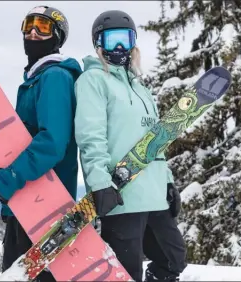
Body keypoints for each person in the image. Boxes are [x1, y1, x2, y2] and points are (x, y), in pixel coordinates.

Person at [0, 5, 82, 282]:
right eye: (29, 26)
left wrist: (11, 177)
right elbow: (22, 140)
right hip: (29, 202)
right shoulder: (35, 81)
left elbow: (52, 142)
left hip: (44, 203)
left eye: (43, 27)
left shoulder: (54, 77)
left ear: (58, 36)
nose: (34, 33)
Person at [73, 10, 187, 282]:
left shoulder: (141, 87)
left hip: (154, 193)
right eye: (113, 41)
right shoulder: (93, 80)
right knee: (126, 272)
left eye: (126, 39)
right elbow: (91, 136)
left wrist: (168, 182)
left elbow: (157, 140)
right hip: (120, 195)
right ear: (99, 43)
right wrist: (100, 183)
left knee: (173, 259)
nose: (120, 48)